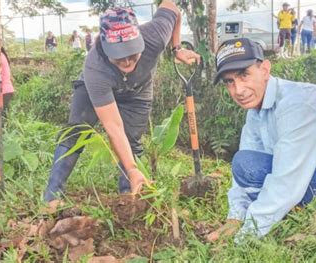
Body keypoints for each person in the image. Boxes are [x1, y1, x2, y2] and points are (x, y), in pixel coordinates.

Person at [206, 38, 316, 242]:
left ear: (265, 70)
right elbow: (243, 173)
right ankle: (297, 213)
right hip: (312, 179)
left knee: (259, 171)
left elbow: (287, 181)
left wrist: (244, 237)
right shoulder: (255, 111)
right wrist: (234, 218)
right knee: (244, 163)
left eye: (244, 75)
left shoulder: (301, 103)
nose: (239, 90)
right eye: (230, 82)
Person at [43, 3, 200, 204]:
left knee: (132, 139)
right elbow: (113, 127)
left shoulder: (155, 35)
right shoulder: (95, 67)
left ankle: (128, 196)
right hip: (95, 89)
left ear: (139, 40)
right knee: (76, 130)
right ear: (106, 48)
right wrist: (133, 168)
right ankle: (52, 196)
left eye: (132, 53)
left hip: (138, 91)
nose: (127, 62)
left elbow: (172, 6)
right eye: (118, 57)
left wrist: (176, 48)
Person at [0, 47, 14, 117]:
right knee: (4, 116)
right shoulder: (2, 55)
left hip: (4, 90)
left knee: (2, 116)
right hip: (7, 89)